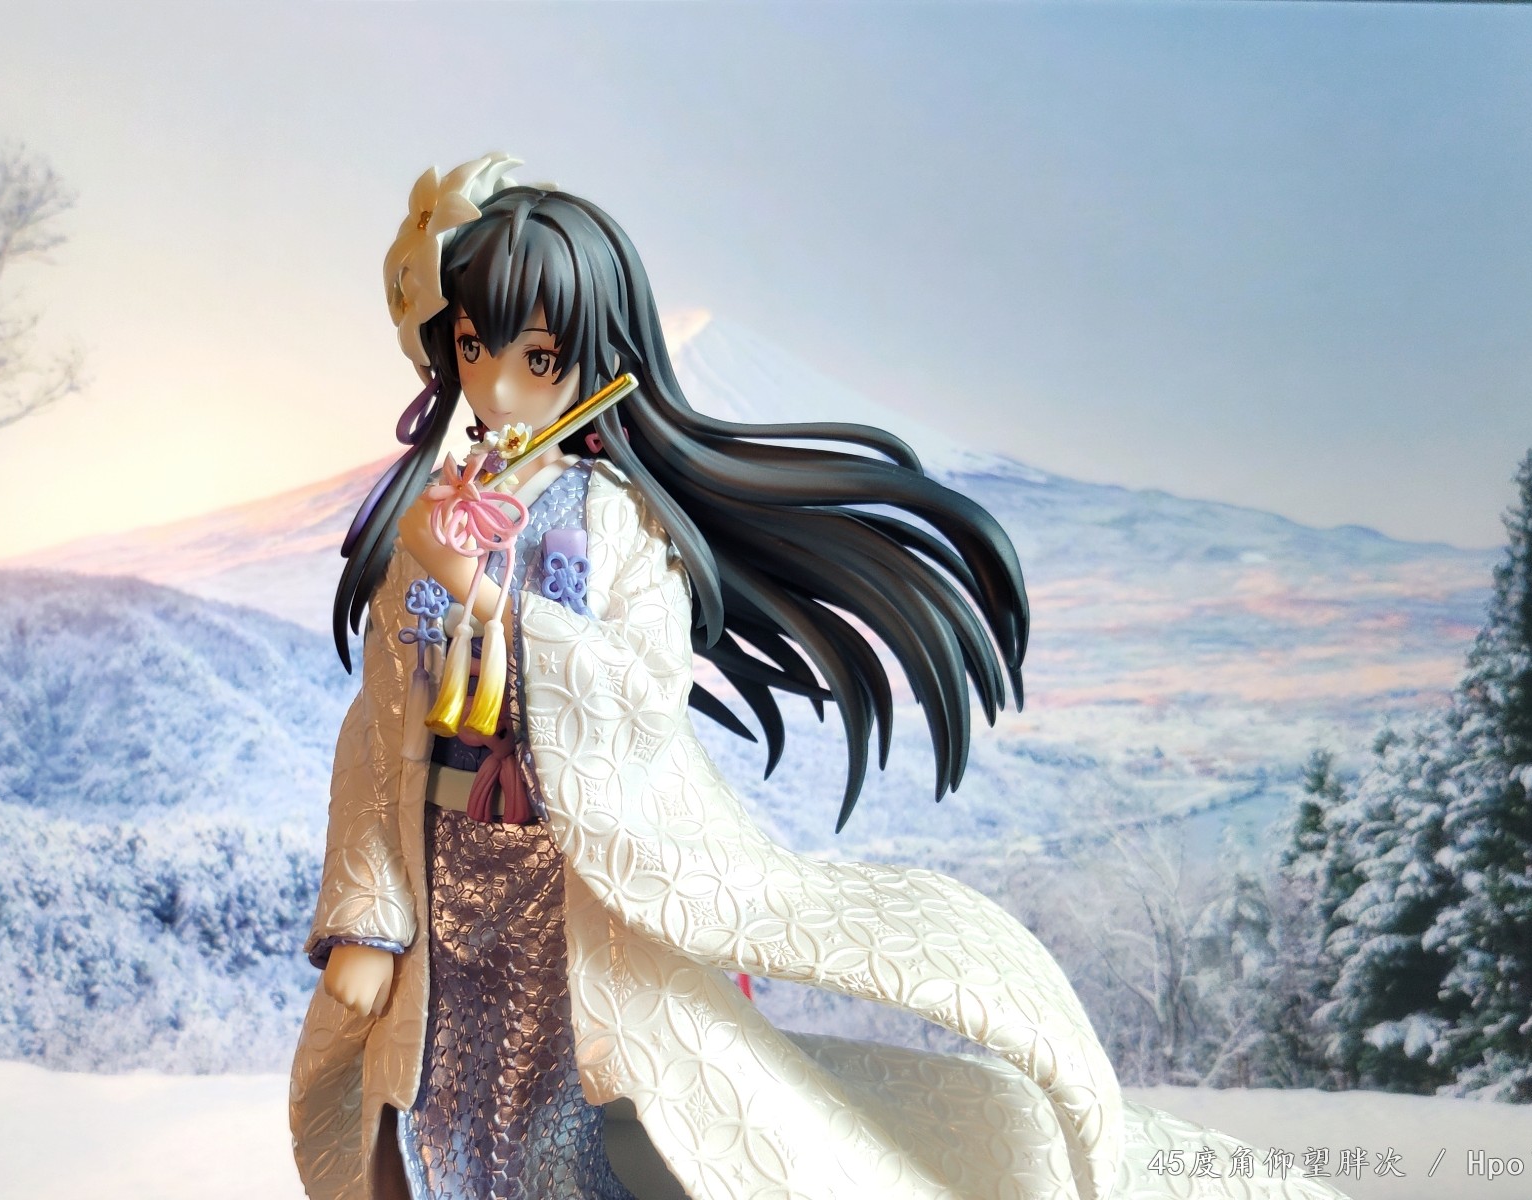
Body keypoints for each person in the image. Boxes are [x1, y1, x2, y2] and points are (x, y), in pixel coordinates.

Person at [290, 154, 1349, 1200]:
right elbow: (378, 734)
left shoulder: (616, 523)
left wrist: (488, 603)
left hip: (572, 888)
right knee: (434, 1118)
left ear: (595, 356)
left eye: (538, 356)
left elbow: (636, 696)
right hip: (443, 883)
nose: (498, 383)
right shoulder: (433, 518)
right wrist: (367, 921)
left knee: (570, 1135)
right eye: (474, 347)